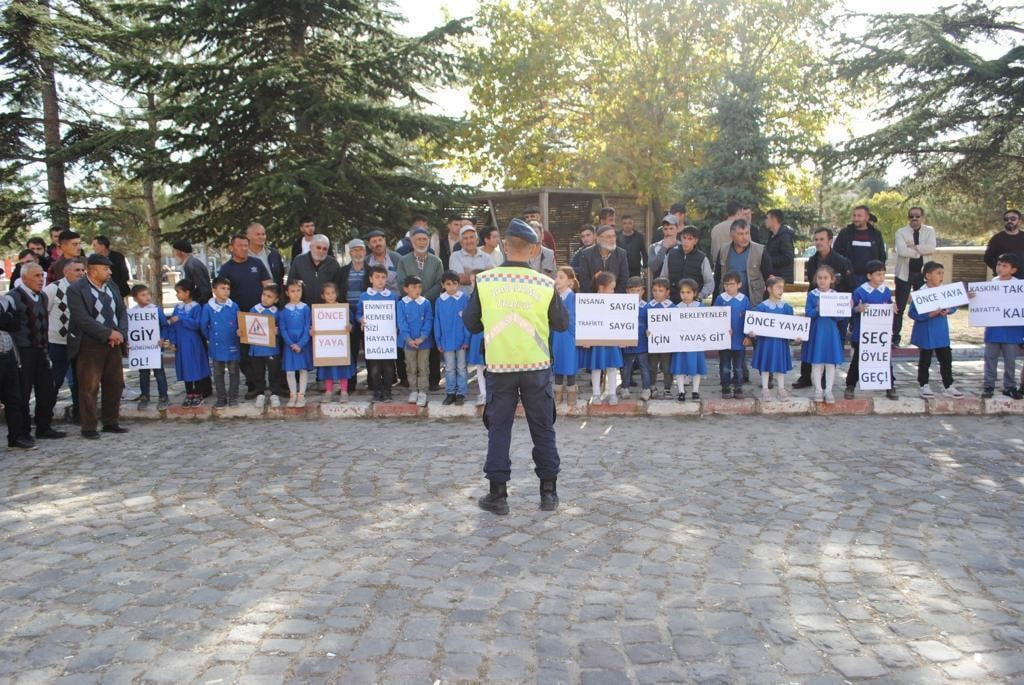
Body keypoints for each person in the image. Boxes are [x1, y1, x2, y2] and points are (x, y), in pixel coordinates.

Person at [463, 218, 568, 515]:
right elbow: (562, 323)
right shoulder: (546, 284)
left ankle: (498, 496)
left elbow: (470, 323)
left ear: (505, 246)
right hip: (536, 366)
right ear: (535, 249)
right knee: (543, 427)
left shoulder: (485, 281)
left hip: (500, 366)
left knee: (499, 430)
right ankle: (549, 493)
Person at [66, 253, 129, 439]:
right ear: (93, 270)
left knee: (115, 384)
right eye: (105, 269)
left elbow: (122, 311)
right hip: (89, 345)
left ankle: (110, 422)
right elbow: (81, 318)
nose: (109, 272)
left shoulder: (112, 286)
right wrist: (107, 333)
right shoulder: (77, 289)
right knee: (89, 387)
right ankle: (89, 427)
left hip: (114, 344)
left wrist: (120, 333)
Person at [6, 263, 65, 441]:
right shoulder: (13, 297)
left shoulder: (43, 297)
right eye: (37, 276)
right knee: (22, 394)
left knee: (46, 390)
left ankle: (44, 426)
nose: (41, 280)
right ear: (24, 278)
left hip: (41, 349)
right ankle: (22, 432)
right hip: (22, 352)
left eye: (42, 276)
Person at [794, 228, 855, 389]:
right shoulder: (813, 260)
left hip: (837, 312)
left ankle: (826, 380)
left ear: (830, 241)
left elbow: (850, 286)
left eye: (822, 239)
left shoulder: (842, 261)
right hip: (816, 307)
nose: (818, 242)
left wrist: (845, 306)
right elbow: (811, 285)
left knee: (834, 343)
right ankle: (805, 377)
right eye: (816, 239)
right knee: (810, 342)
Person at [218, 233, 272, 397]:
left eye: (246, 245)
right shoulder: (226, 269)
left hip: (260, 315)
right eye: (240, 245)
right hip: (239, 317)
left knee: (265, 352)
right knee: (244, 354)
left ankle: (271, 384)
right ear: (231, 248)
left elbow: (268, 285)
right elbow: (222, 293)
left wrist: (270, 304)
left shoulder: (256, 263)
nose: (244, 248)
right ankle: (253, 384)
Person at [396, 227, 444, 390]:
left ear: (428, 241)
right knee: (408, 341)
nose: (422, 242)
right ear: (412, 241)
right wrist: (413, 296)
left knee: (430, 341)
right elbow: (401, 281)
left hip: (430, 306)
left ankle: (433, 380)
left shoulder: (436, 261)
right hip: (409, 307)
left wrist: (424, 298)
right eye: (418, 239)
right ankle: (407, 380)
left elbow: (440, 283)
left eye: (424, 239)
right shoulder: (404, 260)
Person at [844, 260, 898, 400]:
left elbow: (888, 305)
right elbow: (851, 310)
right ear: (869, 276)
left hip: (880, 335)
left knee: (885, 360)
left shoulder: (885, 291)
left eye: (883, 274)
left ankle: (890, 385)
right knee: (857, 361)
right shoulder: (860, 291)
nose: (881, 277)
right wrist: (857, 309)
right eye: (878, 274)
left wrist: (893, 307)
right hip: (863, 334)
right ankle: (850, 385)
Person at [909, 262, 964, 399]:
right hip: (926, 331)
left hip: (941, 332)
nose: (941, 276)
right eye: (938, 273)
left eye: (942, 273)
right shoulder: (920, 294)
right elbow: (912, 313)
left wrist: (948, 310)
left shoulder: (945, 291)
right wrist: (929, 314)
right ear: (928, 276)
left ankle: (948, 385)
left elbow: (954, 307)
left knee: (946, 359)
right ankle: (924, 384)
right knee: (925, 360)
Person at [972, 253, 1023, 399]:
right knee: (990, 359)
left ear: (1013, 270)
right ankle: (989, 386)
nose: (1000, 268)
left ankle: (1010, 386)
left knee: (1010, 361)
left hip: (1012, 332)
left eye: (1005, 266)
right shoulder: (990, 285)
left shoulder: (1019, 286)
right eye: (999, 265)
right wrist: (974, 297)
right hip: (993, 331)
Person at [44, 256, 86, 420]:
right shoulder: (53, 288)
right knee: (56, 380)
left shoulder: (85, 289)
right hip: (58, 342)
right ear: (66, 272)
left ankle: (79, 413)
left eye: (83, 270)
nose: (81, 273)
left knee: (79, 380)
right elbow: (43, 312)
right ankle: (45, 416)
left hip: (79, 343)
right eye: (77, 270)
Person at [891, 207, 936, 347]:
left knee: (923, 307)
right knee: (900, 307)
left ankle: (922, 339)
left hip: (923, 275)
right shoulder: (901, 232)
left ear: (923, 217)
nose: (914, 219)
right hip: (904, 274)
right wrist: (919, 251)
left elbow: (931, 248)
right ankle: (895, 338)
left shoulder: (930, 231)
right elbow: (902, 251)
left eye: (917, 216)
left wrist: (913, 246)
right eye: (911, 216)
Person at [746, 276, 794, 402]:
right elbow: (755, 326)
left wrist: (796, 335)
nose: (781, 290)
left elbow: (792, 327)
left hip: (780, 343)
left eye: (782, 288)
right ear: (769, 289)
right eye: (778, 287)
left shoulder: (786, 308)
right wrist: (752, 333)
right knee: (766, 364)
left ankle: (781, 389)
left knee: (780, 364)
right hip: (766, 343)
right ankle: (765, 389)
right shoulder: (762, 307)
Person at [802, 266, 845, 404]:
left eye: (825, 278)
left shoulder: (836, 295)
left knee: (830, 363)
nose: (822, 281)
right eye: (819, 278)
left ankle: (829, 390)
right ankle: (818, 390)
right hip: (816, 332)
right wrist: (818, 309)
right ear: (815, 279)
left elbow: (839, 318)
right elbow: (808, 313)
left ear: (832, 279)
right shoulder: (812, 295)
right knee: (817, 362)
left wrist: (845, 308)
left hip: (830, 333)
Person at [580, 271, 624, 405]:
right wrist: (584, 339)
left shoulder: (616, 301)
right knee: (596, 367)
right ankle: (596, 394)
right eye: (611, 288)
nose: (613, 291)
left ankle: (612, 394)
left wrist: (625, 338)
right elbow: (585, 321)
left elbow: (623, 321)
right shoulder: (589, 301)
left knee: (612, 367)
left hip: (612, 339)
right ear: (601, 287)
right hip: (597, 341)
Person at [357, 265, 398, 402]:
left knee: (388, 368)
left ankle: (387, 391)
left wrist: (395, 328)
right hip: (372, 339)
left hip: (387, 338)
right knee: (374, 368)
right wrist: (361, 319)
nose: (380, 280)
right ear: (370, 279)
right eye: (377, 277)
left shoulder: (392, 297)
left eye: (383, 277)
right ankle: (377, 391)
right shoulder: (364, 296)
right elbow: (358, 313)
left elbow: (396, 315)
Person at [167, 279, 210, 407]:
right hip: (180, 343)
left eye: (179, 292)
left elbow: (197, 324)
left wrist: (182, 318)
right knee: (185, 368)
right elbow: (172, 327)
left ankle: (198, 394)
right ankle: (189, 393)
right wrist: (172, 341)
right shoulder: (177, 307)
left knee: (194, 367)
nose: (177, 295)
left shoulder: (196, 307)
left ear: (187, 292)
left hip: (192, 343)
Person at [201, 276, 241, 408]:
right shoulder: (208, 307)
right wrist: (211, 338)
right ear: (214, 290)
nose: (226, 291)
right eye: (222, 288)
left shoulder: (234, 306)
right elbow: (203, 325)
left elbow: (240, 323)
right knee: (218, 373)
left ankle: (233, 397)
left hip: (232, 343)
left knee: (234, 372)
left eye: (228, 289)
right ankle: (221, 397)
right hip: (216, 345)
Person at [129, 284, 171, 411]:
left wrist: (162, 338)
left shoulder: (155, 310)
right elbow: (130, 330)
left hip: (155, 347)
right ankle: (145, 396)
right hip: (141, 349)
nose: (147, 297)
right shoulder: (133, 312)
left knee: (159, 373)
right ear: (135, 298)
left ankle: (163, 396)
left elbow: (165, 326)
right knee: (143, 373)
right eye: (143, 295)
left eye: (148, 294)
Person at [713, 219, 771, 307]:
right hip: (727, 302)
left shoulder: (760, 251)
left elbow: (770, 279)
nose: (745, 237)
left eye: (747, 233)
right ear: (731, 235)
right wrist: (714, 302)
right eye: (740, 234)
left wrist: (767, 303)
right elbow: (717, 278)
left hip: (753, 302)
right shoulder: (723, 250)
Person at [0, 295, 32, 449]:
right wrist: (6, 319)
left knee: (14, 398)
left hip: (8, 355)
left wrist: (6, 319)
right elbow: (6, 321)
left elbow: (15, 324)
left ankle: (15, 437)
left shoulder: (4, 300)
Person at [397, 275, 433, 407]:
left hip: (424, 342)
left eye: (419, 287)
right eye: (413, 287)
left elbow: (429, 321)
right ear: (406, 289)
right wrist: (408, 339)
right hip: (408, 343)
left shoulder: (426, 303)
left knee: (423, 366)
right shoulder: (401, 304)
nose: (417, 290)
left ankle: (423, 391)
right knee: (410, 366)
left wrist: (422, 337)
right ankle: (413, 390)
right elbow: (401, 322)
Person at [249, 284, 287, 409]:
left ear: (275, 300)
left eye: (269, 296)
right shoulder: (254, 310)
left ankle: (274, 393)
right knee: (258, 372)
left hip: (271, 349)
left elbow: (282, 328)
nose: (265, 298)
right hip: (257, 349)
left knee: (274, 373)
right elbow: (248, 325)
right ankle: (260, 393)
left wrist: (278, 331)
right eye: (264, 295)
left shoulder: (277, 313)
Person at [434, 271, 469, 406]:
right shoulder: (439, 301)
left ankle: (461, 393)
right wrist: (438, 340)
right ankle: (450, 393)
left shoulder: (464, 298)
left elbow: (467, 320)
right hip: (446, 340)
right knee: (449, 368)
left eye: (454, 283)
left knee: (461, 367)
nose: (452, 287)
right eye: (448, 284)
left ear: (459, 284)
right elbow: (437, 321)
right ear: (443, 285)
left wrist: (466, 339)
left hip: (461, 341)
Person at [669, 278, 708, 401]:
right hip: (681, 344)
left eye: (688, 292)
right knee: (680, 367)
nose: (685, 295)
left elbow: (709, 324)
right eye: (682, 292)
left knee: (697, 367)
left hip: (696, 343)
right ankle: (681, 391)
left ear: (695, 293)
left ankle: (695, 391)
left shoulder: (700, 307)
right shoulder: (675, 308)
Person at [714, 271, 750, 399]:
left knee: (739, 367)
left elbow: (749, 320)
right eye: (726, 284)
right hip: (724, 341)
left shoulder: (744, 299)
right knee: (725, 366)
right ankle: (725, 387)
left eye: (732, 284)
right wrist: (721, 330)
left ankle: (738, 387)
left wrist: (748, 337)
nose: (728, 287)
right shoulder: (720, 298)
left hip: (740, 340)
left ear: (739, 285)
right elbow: (713, 317)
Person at [316, 282, 354, 403]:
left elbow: (351, 323)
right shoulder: (319, 311)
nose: (330, 296)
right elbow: (315, 326)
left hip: (341, 345)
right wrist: (313, 331)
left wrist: (350, 327)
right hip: (327, 347)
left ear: (336, 294)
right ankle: (328, 391)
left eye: (332, 293)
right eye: (327, 293)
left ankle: (344, 391)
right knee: (328, 366)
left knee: (343, 366)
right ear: (323, 296)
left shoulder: (343, 309)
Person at [833, 205, 887, 288]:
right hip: (848, 278)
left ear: (867, 217)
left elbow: (881, 255)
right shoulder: (845, 233)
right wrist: (843, 271)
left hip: (870, 280)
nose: (856, 219)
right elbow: (836, 254)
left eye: (859, 216)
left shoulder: (876, 234)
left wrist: (877, 273)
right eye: (854, 216)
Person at [338, 238, 368, 386]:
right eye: (354, 250)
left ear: (365, 251)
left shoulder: (371, 271)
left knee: (370, 349)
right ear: (349, 253)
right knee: (351, 349)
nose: (358, 253)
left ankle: (373, 383)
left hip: (366, 315)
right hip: (348, 313)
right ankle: (350, 383)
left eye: (360, 249)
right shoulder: (342, 271)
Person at [279, 280, 313, 407]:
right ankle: (292, 395)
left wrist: (301, 343)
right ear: (287, 293)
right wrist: (290, 343)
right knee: (290, 371)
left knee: (303, 370)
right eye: (292, 291)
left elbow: (307, 326)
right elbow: (283, 329)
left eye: (298, 290)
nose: (296, 293)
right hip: (290, 346)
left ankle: (301, 395)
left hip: (303, 344)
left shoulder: (305, 308)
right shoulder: (283, 311)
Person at [551, 266, 580, 407]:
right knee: (557, 363)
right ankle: (557, 395)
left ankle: (571, 394)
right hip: (556, 335)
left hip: (569, 335)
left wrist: (575, 334)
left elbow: (573, 318)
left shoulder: (573, 297)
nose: (557, 279)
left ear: (570, 281)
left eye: (561, 277)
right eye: (556, 276)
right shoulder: (553, 296)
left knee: (569, 364)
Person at [285, 234, 337, 305]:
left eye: (325, 249)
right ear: (311, 247)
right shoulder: (299, 261)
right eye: (318, 247)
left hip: (325, 309)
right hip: (303, 307)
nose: (321, 251)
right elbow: (290, 284)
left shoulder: (333, 263)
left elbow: (337, 287)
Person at [619, 276, 650, 399]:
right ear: (627, 291)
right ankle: (625, 387)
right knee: (626, 368)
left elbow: (650, 324)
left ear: (642, 291)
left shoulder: (647, 307)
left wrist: (649, 331)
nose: (635, 293)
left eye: (638, 290)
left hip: (642, 343)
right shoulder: (621, 307)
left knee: (644, 367)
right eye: (632, 290)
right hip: (628, 344)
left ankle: (646, 389)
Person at [576, 225, 629, 293]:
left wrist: (614, 297)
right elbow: (584, 281)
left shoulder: (621, 254)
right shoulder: (586, 254)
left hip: (615, 297)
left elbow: (624, 280)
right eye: (608, 237)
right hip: (593, 297)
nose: (612, 239)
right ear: (598, 239)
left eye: (614, 236)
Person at [646, 278, 675, 399]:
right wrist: (646, 331)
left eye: (661, 290)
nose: (657, 293)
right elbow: (644, 322)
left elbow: (677, 325)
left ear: (667, 292)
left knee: (667, 367)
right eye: (655, 290)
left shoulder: (673, 308)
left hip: (667, 345)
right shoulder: (648, 306)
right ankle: (652, 386)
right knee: (652, 367)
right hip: (652, 344)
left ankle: (667, 388)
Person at [667, 226, 714, 302]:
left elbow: (709, 283)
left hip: (694, 302)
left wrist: (699, 296)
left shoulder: (702, 258)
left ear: (695, 241)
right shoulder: (671, 255)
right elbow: (664, 278)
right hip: (673, 301)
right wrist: (667, 296)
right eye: (684, 238)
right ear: (680, 238)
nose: (686, 241)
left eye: (690, 239)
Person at [448, 225, 493, 294]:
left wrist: (468, 273)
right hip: (464, 300)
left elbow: (491, 278)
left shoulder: (486, 257)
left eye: (472, 237)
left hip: (482, 298)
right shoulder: (455, 256)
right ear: (461, 243)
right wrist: (483, 274)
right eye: (465, 238)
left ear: (477, 241)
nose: (469, 241)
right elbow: (459, 279)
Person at [983, 209, 1024, 277]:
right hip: (1002, 279)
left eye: (1013, 218)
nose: (1009, 221)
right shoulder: (996, 239)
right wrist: (1000, 269)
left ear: (1019, 221)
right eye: (1006, 219)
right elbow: (987, 258)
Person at [246, 222, 287, 288]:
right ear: (248, 236)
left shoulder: (273, 254)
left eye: (263, 234)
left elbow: (280, 275)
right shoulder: (242, 256)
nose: (261, 237)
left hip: (273, 296)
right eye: (257, 234)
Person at [172, 240, 212, 304]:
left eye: (174, 252)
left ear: (179, 252)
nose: (173, 256)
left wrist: (194, 306)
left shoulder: (192, 266)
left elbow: (204, 290)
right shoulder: (190, 264)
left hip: (201, 307)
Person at [763, 209, 795, 283]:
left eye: (767, 218)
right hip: (775, 277)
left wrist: (768, 260)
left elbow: (788, 258)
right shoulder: (772, 235)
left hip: (782, 279)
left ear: (774, 219)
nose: (765, 221)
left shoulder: (785, 236)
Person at [648, 215, 679, 280]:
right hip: (659, 287)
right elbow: (653, 268)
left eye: (671, 228)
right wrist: (663, 248)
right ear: (662, 230)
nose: (668, 232)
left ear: (677, 229)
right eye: (665, 229)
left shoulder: (682, 247)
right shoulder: (653, 247)